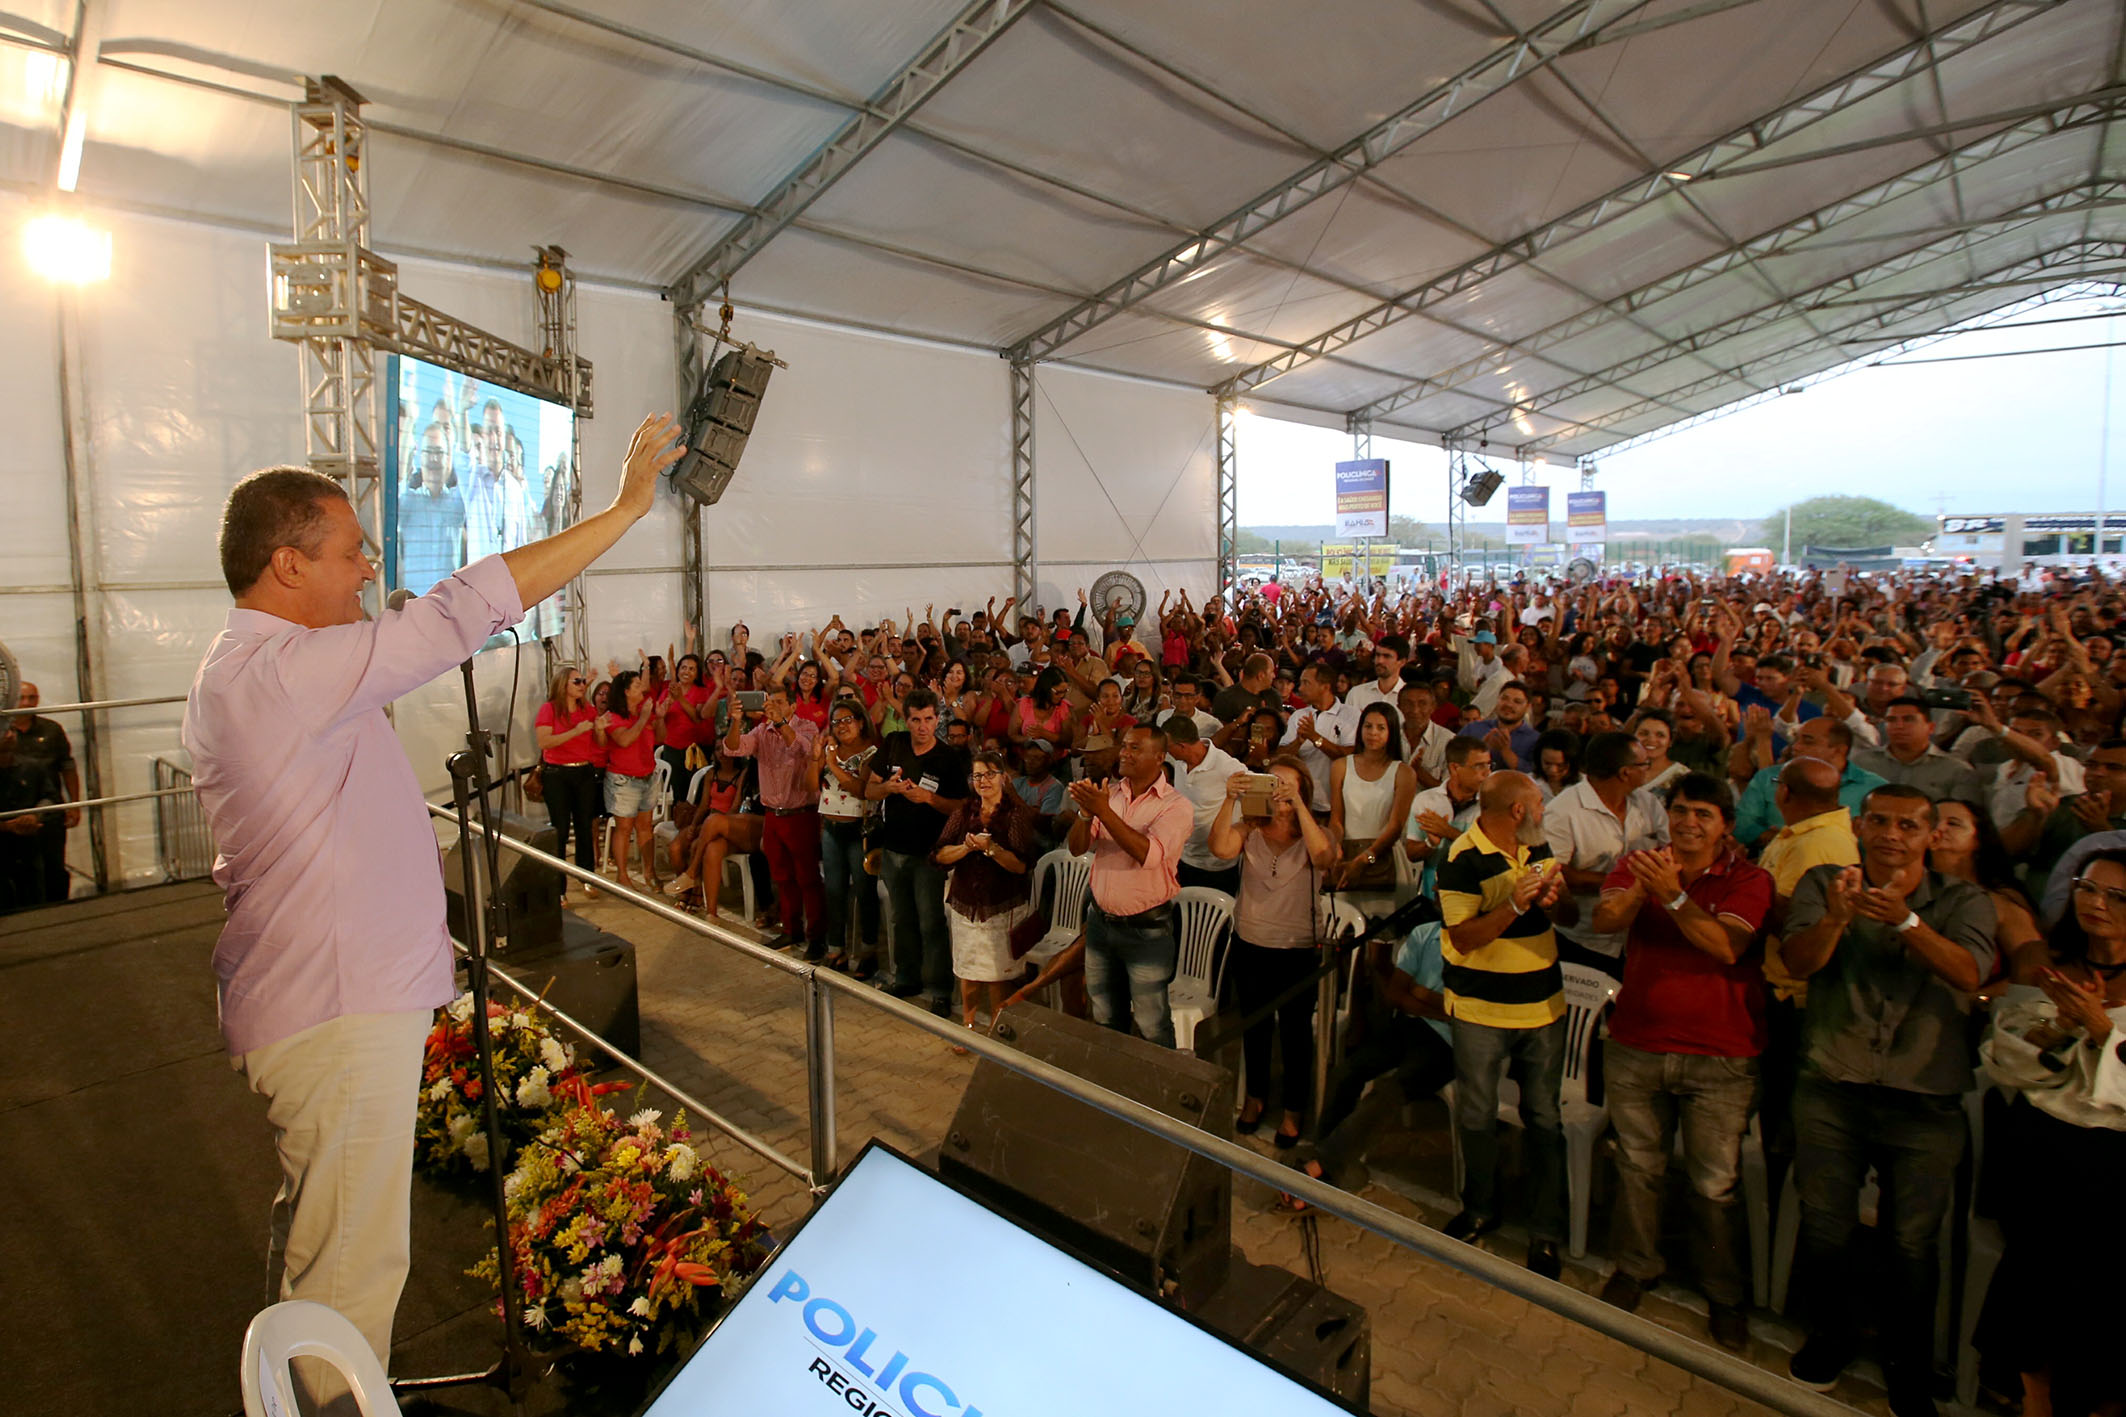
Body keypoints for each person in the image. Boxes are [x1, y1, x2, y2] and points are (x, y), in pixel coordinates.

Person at [180, 413, 682, 1391]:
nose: (368, 569)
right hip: (337, 1005)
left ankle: (292, 1385)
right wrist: (620, 509)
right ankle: (323, 1402)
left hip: (321, 999)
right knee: (355, 1272)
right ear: (285, 565)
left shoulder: (244, 670)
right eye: (351, 551)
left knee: (325, 1237)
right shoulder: (284, 672)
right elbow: (459, 610)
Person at [1779, 784, 1997, 1414]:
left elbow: (1967, 973)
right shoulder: (1826, 883)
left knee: (1911, 1243)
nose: (1891, 834)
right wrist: (1837, 919)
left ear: (1930, 836)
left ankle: (1907, 1362)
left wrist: (1905, 919)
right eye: (1878, 821)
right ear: (1860, 827)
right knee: (1826, 1226)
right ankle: (1831, 1336)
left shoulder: (1964, 900)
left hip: (1923, 1099)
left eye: (1908, 824)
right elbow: (1798, 962)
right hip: (1833, 1083)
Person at [1589, 775, 1772, 1351]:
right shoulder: (1642, 863)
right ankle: (1637, 1266)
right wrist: (1644, 890)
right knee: (1638, 1165)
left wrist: (1672, 896)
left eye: (1703, 815)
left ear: (1726, 827)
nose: (1689, 823)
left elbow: (1725, 947)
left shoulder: (1750, 879)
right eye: (1681, 811)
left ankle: (1723, 1294)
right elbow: (1605, 921)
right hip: (1637, 1041)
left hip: (1720, 1055)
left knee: (1714, 1183)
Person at [1974, 849, 2126, 1417]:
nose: (2096, 903)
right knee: (2034, 1307)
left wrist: (2103, 1033)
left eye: (2116, 896)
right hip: (2045, 1150)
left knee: (2103, 1318)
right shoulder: (2052, 964)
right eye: (2089, 887)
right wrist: (2061, 1032)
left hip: (2115, 1167)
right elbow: (2005, 1060)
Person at [1435, 772, 1574, 1278]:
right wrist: (1514, 904)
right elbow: (1465, 937)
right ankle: (1479, 1208)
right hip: (1481, 1011)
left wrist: (1559, 899)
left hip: (1542, 1008)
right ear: (1518, 810)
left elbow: (1570, 915)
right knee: (1476, 1113)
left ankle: (1545, 1232)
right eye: (1538, 802)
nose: (1543, 809)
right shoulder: (1459, 859)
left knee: (1544, 1119)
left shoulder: (1540, 848)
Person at [1207, 757, 1339, 1145]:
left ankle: (1294, 1110)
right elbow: (1219, 849)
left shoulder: (1319, 833)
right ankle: (1255, 1098)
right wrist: (1230, 801)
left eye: (1286, 786)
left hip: (1296, 949)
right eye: (1272, 784)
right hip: (1250, 943)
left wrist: (1298, 806)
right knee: (1255, 1026)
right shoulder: (1250, 830)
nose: (1278, 792)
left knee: (1296, 1034)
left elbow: (1325, 858)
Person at [1068, 725, 1193, 1047]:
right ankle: (1113, 1090)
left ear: (1159, 757)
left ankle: (1155, 1095)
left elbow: (1148, 855)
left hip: (1146, 931)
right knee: (1106, 1017)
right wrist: (1085, 814)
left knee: (1151, 1025)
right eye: (1124, 746)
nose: (1124, 753)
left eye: (1135, 748)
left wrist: (1103, 813)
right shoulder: (1108, 794)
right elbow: (1077, 848)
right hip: (1100, 924)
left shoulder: (1176, 806)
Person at [864, 689, 970, 1015]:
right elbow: (868, 788)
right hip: (894, 849)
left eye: (928, 719)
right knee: (901, 920)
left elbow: (962, 807)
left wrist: (929, 800)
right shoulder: (894, 743)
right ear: (905, 720)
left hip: (929, 853)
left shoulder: (949, 758)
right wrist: (889, 789)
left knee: (930, 923)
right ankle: (907, 978)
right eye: (916, 720)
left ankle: (939, 989)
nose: (923, 727)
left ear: (937, 720)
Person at [933, 751, 1040, 1038]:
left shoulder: (1015, 816)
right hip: (966, 902)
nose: (984, 781)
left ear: (1004, 777)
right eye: (978, 775)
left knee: (996, 975)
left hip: (1000, 905)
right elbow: (939, 855)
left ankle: (997, 1028)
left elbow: (1020, 866)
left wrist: (992, 849)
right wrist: (967, 848)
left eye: (990, 774)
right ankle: (967, 1027)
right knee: (967, 971)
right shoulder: (963, 812)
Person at [1542, 731, 1666, 975]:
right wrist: (1629, 883)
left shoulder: (1648, 803)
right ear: (1625, 772)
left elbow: (1668, 850)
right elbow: (1557, 874)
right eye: (1644, 764)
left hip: (1639, 939)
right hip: (1583, 941)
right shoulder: (1564, 811)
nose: (1648, 769)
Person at [723, 684, 825, 956]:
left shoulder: (808, 727)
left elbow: (802, 749)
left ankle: (817, 937)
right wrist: (735, 722)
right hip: (773, 815)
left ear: (792, 706)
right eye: (772, 702)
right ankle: (791, 929)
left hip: (801, 815)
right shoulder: (761, 731)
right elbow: (734, 748)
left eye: (780, 703)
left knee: (808, 879)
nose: (774, 707)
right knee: (782, 877)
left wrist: (779, 722)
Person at [1927, 799, 2043, 983]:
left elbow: (2035, 970)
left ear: (1977, 839)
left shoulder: (2001, 901)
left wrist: (1983, 998)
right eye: (1933, 822)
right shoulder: (1912, 891)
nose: (1939, 828)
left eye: (1953, 823)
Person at [1732, 716, 1884, 850]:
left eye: (1808, 741)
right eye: (1796, 740)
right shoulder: (1768, 777)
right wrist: (1788, 840)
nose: (1796, 747)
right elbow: (1742, 826)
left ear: (1838, 750)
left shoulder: (1873, 788)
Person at [816, 702, 879, 976]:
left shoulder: (872, 752)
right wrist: (817, 757)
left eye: (847, 720)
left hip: (859, 830)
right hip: (831, 827)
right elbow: (811, 785)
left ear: (861, 722)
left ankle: (868, 951)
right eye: (836, 722)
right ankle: (836, 948)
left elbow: (862, 789)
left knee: (865, 891)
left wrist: (832, 764)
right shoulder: (830, 751)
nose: (842, 726)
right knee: (834, 890)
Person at [1328, 703, 1417, 893]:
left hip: (1385, 857)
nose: (1373, 733)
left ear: (1391, 732)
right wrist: (1335, 847)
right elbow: (1336, 819)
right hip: (1347, 853)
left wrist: (1366, 858)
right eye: (1368, 726)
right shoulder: (1341, 766)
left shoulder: (1403, 772)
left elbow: (1395, 826)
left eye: (1381, 727)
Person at [533, 664, 603, 899]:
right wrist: (576, 731)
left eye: (584, 681)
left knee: (585, 827)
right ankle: (558, 887)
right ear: (563, 684)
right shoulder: (549, 709)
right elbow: (544, 742)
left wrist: (600, 729)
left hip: (584, 772)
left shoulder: (588, 710)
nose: (583, 685)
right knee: (560, 830)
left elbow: (599, 741)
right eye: (577, 681)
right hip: (557, 775)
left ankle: (587, 877)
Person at [10, 682, 80, 905]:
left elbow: (67, 766)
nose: (27, 703)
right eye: (22, 698)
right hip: (13, 814)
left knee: (54, 866)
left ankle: (59, 915)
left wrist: (74, 804)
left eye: (32, 698)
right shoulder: (3, 733)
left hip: (49, 810)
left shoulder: (51, 730)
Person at [1164, 715, 1248, 892]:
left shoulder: (1226, 766)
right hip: (1184, 857)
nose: (1165, 752)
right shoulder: (1180, 763)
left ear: (1182, 746)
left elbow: (1260, 794)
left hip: (1216, 866)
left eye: (1167, 747)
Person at [1851, 696, 1983, 806]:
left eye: (1908, 719)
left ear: (1931, 727)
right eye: (1891, 720)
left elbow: (1959, 818)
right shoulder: (1862, 763)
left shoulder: (1957, 770)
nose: (1899, 726)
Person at [600, 668, 661, 894]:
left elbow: (660, 737)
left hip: (647, 776)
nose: (641, 689)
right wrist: (644, 717)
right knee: (624, 828)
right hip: (623, 780)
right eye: (636, 686)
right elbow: (624, 740)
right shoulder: (613, 717)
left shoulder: (643, 713)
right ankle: (622, 875)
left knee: (646, 827)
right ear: (625, 692)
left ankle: (649, 872)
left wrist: (660, 716)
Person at [395, 421, 464, 594]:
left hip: (449, 607)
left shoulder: (458, 503)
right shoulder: (407, 502)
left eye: (439, 452)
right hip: (413, 606)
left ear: (448, 458)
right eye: (429, 452)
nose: (434, 459)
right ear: (420, 455)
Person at [1280, 663, 1358, 815]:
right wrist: (1298, 742)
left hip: (1339, 805)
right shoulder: (1298, 716)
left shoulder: (1351, 715)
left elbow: (1349, 757)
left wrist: (1315, 737)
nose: (1300, 688)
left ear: (1325, 687)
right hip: (1303, 803)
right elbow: (1281, 756)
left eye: (1306, 683)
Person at [0, 721, 58, 911]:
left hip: (29, 847)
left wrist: (35, 816)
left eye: (11, 730)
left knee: (34, 903)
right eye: (3, 731)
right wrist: (7, 826)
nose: (9, 735)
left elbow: (50, 796)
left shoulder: (32, 767)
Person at [1459, 680, 1539, 773]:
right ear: (1498, 699)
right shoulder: (1472, 729)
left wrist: (1505, 751)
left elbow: (1535, 776)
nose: (1508, 704)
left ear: (1528, 707)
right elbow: (1453, 759)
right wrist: (1481, 748)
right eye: (1504, 698)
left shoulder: (1535, 739)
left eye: (1517, 701)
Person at [1532, 728, 1581, 803]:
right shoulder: (1528, 783)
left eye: (1560, 765)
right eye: (1547, 763)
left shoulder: (1584, 785)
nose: (1553, 770)